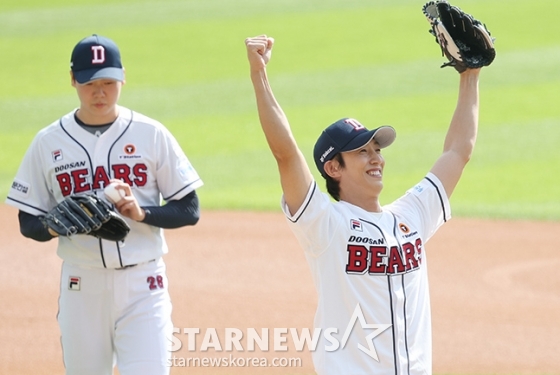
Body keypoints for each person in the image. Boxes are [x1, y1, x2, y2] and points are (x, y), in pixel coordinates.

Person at [245, 34, 481, 374]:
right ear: (333, 167)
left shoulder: (411, 215)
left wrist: (469, 74)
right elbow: (285, 153)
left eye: (377, 149)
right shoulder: (324, 224)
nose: (376, 159)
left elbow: (458, 152)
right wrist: (259, 75)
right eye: (362, 151)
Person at [5, 34, 203, 375]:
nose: (100, 92)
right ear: (72, 80)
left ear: (123, 77)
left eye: (109, 82)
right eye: (90, 83)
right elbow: (28, 221)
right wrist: (56, 224)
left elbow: (189, 208)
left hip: (145, 286)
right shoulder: (48, 141)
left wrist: (142, 213)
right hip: (82, 287)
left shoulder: (150, 133)